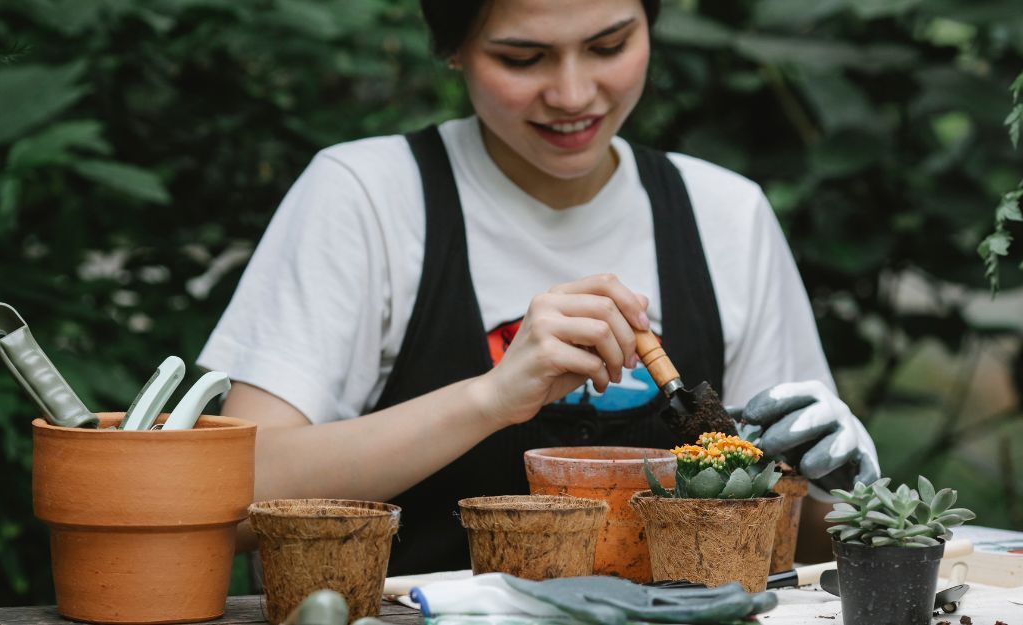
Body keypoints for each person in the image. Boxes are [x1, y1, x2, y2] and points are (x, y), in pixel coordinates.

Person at [197, 0, 879, 574]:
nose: (574, 94)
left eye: (609, 45)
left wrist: (840, 489)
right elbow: (220, 504)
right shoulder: (369, 198)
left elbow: (796, 549)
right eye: (523, 58)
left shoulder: (726, 214)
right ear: (453, 48)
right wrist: (492, 397)